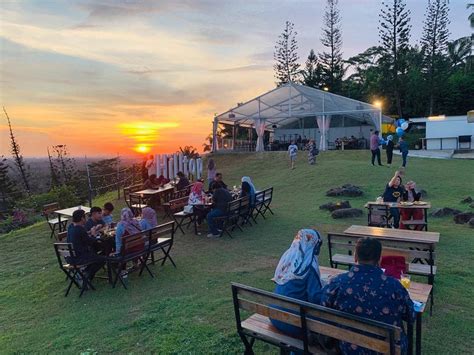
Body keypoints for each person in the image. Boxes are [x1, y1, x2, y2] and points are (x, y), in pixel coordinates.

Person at [320, 237, 414, 354]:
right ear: (379, 259)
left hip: (348, 348)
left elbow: (323, 306)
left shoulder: (337, 283)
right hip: (387, 350)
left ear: (355, 257)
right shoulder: (394, 287)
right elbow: (411, 315)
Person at [270, 229, 323, 336]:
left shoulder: (286, 259)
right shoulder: (309, 266)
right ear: (315, 246)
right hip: (294, 323)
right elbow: (316, 299)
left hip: (274, 316)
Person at [66, 209, 105, 281]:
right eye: (85, 217)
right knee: (103, 258)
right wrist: (93, 234)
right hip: (79, 258)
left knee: (96, 256)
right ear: (81, 218)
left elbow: (82, 237)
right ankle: (86, 275)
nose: (86, 219)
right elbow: (90, 242)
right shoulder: (80, 229)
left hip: (70, 257)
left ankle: (85, 273)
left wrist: (91, 231)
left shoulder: (71, 227)